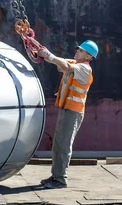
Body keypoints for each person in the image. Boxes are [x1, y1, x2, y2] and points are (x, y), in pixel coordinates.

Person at [36, 40, 98, 189]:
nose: (77, 51)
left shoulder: (84, 69)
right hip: (66, 110)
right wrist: (43, 52)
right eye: (78, 49)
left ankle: (60, 180)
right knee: (58, 145)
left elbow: (64, 65)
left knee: (64, 146)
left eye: (81, 50)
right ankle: (55, 175)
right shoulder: (75, 64)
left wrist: (49, 56)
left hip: (73, 112)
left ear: (89, 56)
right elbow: (61, 62)